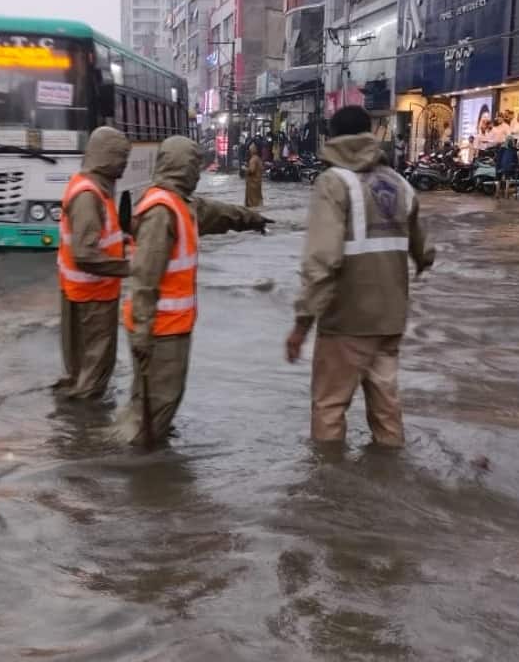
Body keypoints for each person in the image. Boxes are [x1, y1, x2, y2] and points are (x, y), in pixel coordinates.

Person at [285, 105, 434, 447]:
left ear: (332, 138)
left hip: (347, 322)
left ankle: (328, 488)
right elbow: (424, 250)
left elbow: (322, 260)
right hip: (390, 320)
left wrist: (301, 324)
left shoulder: (333, 183)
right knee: (387, 410)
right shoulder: (400, 184)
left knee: (329, 408)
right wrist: (419, 263)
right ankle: (389, 479)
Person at [119, 136, 272, 447]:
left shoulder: (181, 204)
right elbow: (145, 279)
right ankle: (137, 467)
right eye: (194, 166)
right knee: (156, 406)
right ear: (181, 167)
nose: (198, 173)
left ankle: (142, 451)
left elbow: (219, 213)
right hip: (158, 330)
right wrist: (143, 334)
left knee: (157, 402)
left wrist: (252, 219)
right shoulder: (161, 210)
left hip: (170, 328)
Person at [54, 127, 132, 400]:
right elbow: (85, 254)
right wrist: (129, 267)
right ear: (105, 156)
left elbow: (97, 239)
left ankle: (75, 419)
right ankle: (85, 430)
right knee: (94, 372)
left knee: (82, 369)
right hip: (93, 298)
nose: (125, 163)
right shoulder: (89, 195)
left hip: (84, 294)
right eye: (121, 156)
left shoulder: (92, 189)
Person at [245, 141, 264, 207]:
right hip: (258, 183)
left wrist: (245, 169)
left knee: (252, 203)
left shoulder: (253, 160)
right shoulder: (258, 159)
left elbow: (251, 170)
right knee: (258, 200)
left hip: (252, 184)